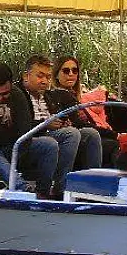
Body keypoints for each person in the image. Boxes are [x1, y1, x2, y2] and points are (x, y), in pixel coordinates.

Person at [0, 63, 56, 192]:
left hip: (11, 148)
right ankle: (22, 188)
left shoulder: (18, 96)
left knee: (49, 144)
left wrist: (12, 157)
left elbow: (25, 134)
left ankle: (43, 193)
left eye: (5, 94)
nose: (0, 98)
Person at [15, 55, 82, 199]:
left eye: (47, 77)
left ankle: (68, 188)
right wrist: (45, 125)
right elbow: (20, 125)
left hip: (49, 133)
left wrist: (61, 123)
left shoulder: (49, 96)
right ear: (26, 76)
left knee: (81, 133)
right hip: (28, 139)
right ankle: (43, 193)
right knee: (51, 143)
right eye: (40, 76)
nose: (44, 81)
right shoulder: (17, 95)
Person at [53, 56, 118, 166]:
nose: (71, 74)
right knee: (113, 144)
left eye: (74, 70)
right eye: (66, 70)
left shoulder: (74, 96)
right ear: (56, 75)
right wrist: (113, 134)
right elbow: (78, 124)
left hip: (82, 135)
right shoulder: (60, 94)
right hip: (71, 139)